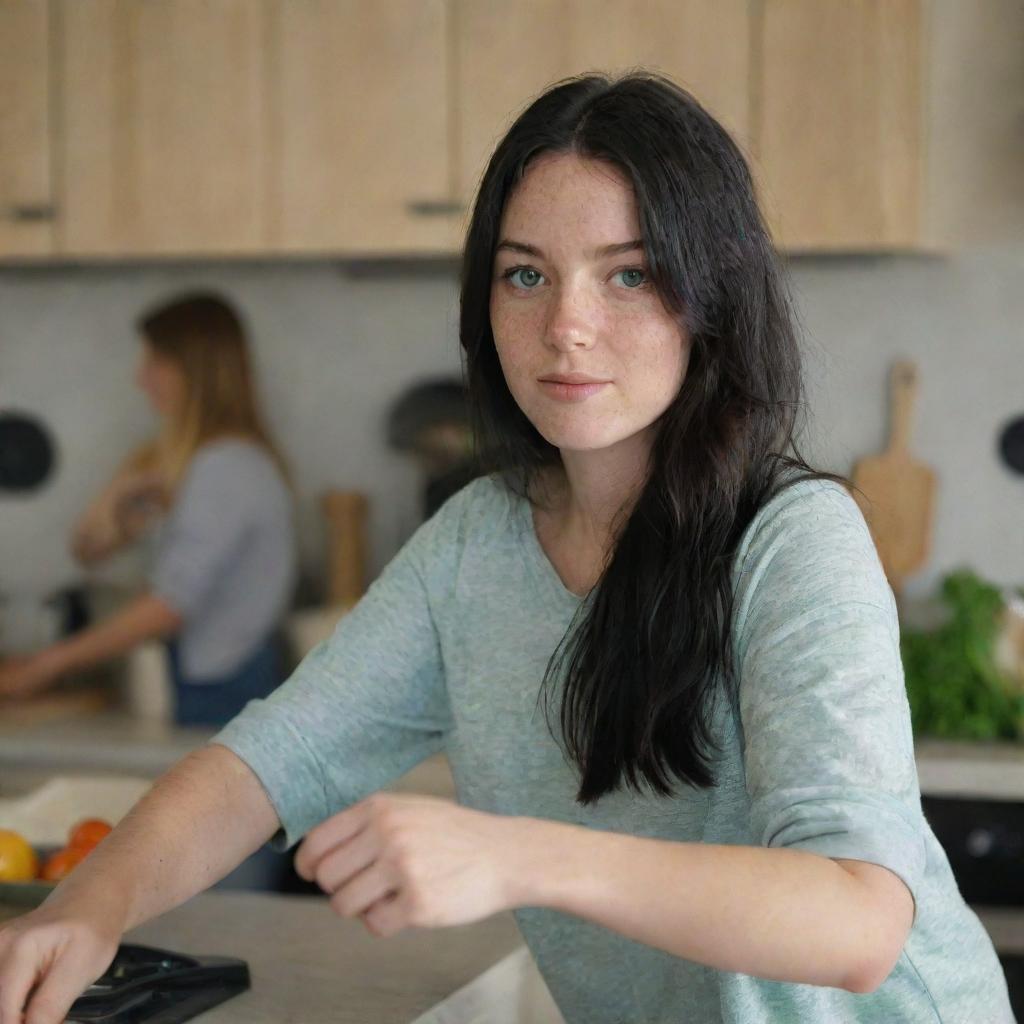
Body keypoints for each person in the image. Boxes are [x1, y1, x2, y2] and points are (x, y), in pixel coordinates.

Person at [0, 73, 1013, 1024]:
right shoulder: (472, 547)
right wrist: (90, 905)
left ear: (711, 297)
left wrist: (517, 855)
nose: (564, 326)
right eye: (524, 274)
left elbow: (856, 920)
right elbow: (263, 765)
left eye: (628, 275)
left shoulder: (792, 540)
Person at [0, 292, 297, 728]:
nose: (141, 377)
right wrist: (119, 494)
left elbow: (169, 606)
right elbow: (88, 550)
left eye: (155, 361)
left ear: (194, 370)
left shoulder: (226, 468)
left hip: (225, 691)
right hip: (218, 681)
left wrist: (46, 665)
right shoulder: (196, 461)